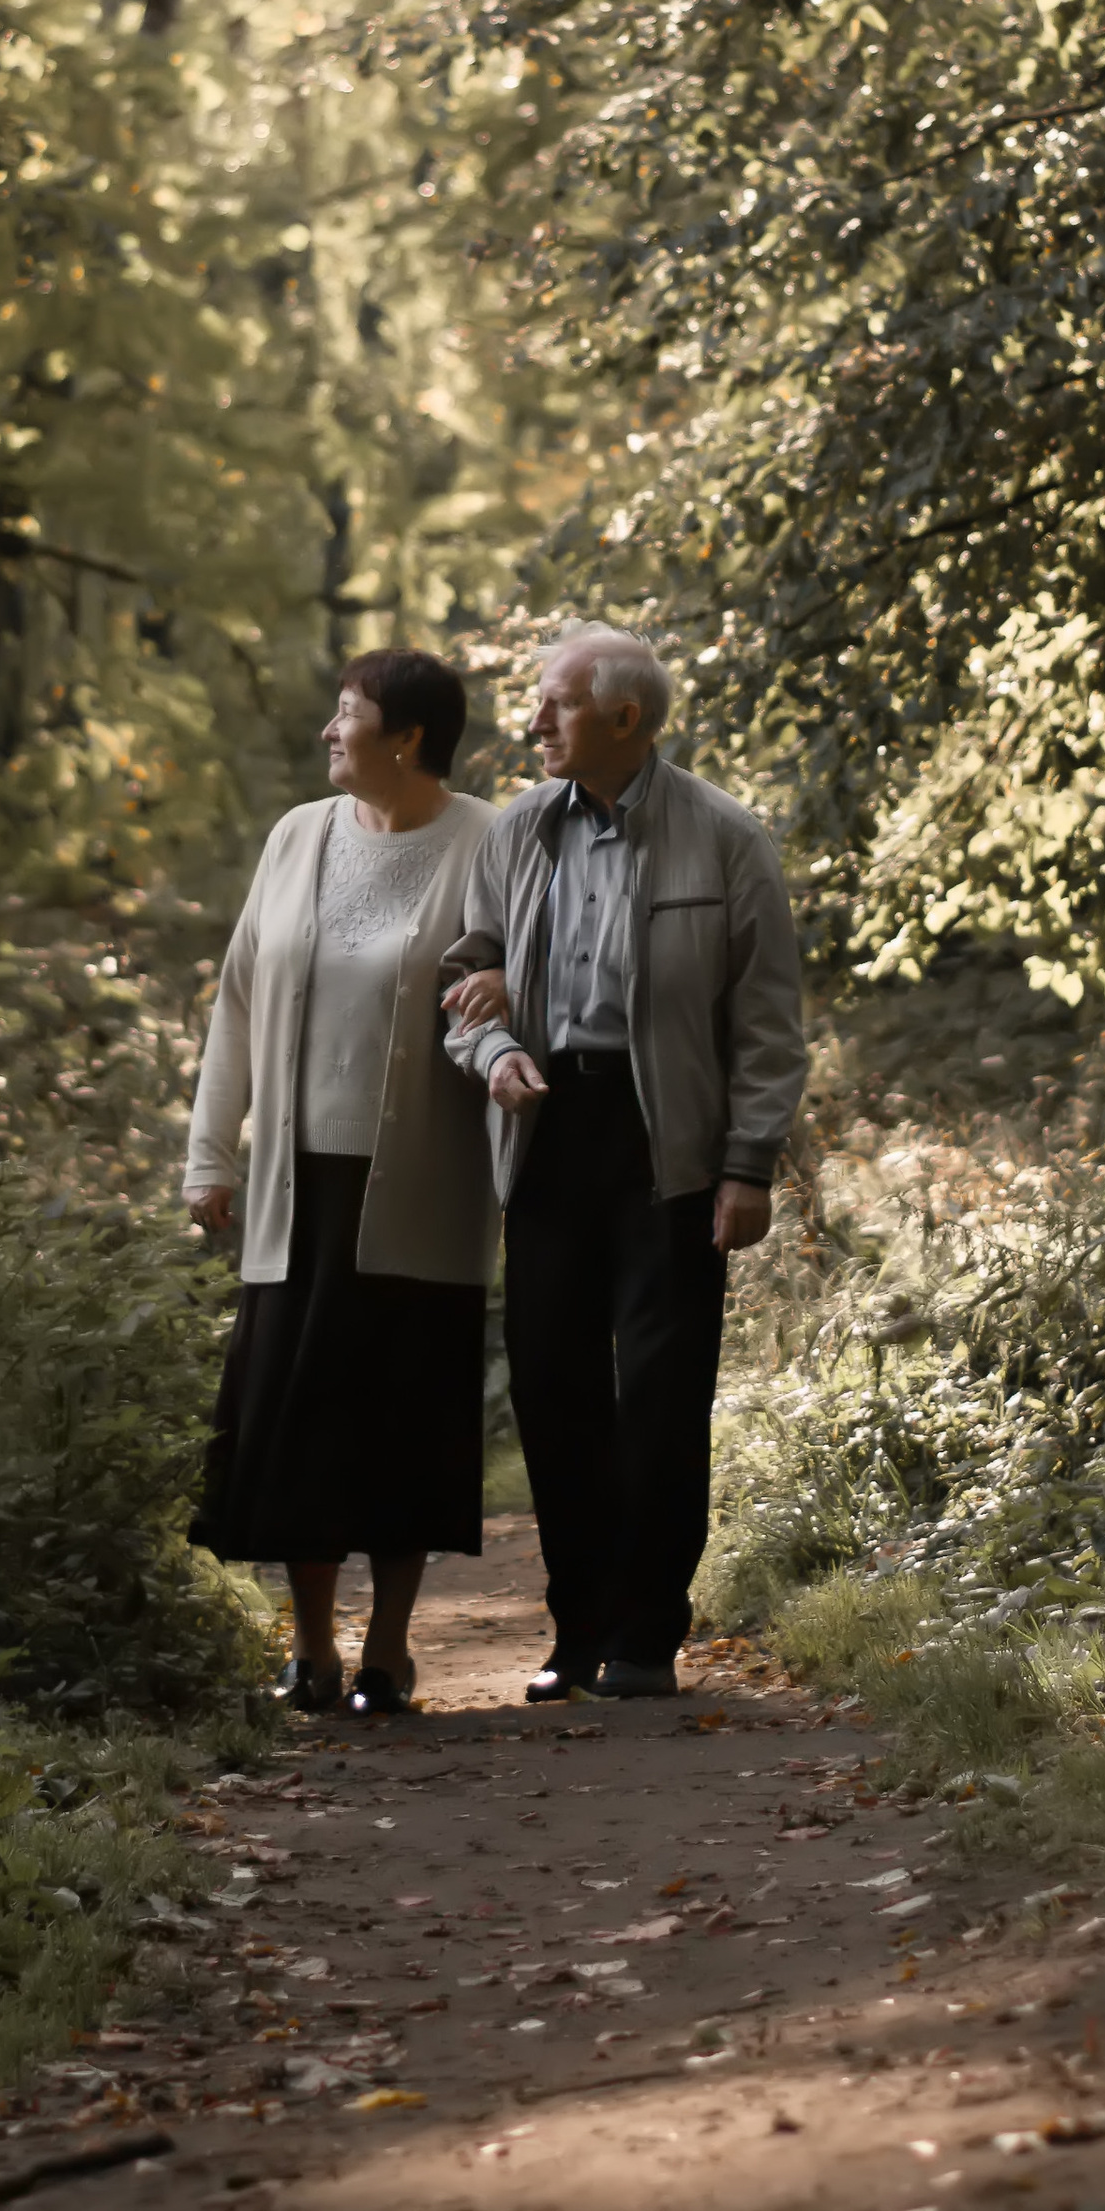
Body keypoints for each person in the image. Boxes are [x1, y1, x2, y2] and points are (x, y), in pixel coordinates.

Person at [441, 626, 804, 1704]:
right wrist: (497, 1048)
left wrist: (749, 1166)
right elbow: (467, 980)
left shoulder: (726, 838)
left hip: (672, 1146)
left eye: (553, 704)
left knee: (659, 1389)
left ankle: (646, 1634)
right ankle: (577, 1624)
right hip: (549, 1130)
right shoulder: (516, 833)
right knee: (553, 1391)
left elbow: (768, 1022)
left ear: (623, 719)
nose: (535, 722)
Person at [183, 651, 497, 1717]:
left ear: (404, 738)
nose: (329, 731)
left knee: (402, 1415)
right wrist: (209, 1153)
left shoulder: (486, 842)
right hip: (292, 1188)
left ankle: (390, 1650)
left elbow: (515, 984)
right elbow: (234, 1001)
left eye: (348, 715)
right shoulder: (295, 837)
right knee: (295, 1416)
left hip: (419, 1183)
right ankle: (311, 1649)